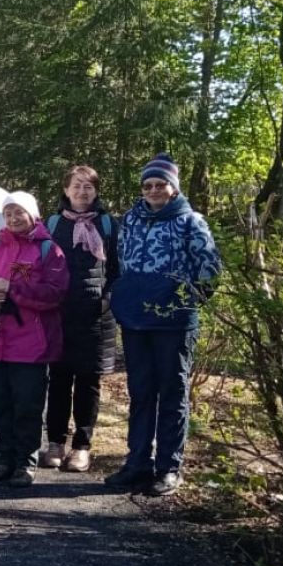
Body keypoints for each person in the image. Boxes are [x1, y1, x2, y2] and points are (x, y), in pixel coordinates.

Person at [105, 153, 221, 496]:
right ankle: (137, 461)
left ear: (173, 188)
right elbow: (118, 263)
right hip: (136, 322)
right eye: (148, 185)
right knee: (141, 393)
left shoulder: (191, 221)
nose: (154, 190)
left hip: (174, 324)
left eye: (160, 184)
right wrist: (119, 295)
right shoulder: (131, 220)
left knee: (172, 393)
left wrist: (183, 302)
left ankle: (168, 468)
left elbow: (209, 270)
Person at [0, 192, 69, 487]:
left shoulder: (49, 249)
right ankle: (6, 458)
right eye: (8, 213)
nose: (14, 219)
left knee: (27, 404)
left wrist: (14, 290)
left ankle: (25, 461)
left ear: (33, 215)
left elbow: (56, 293)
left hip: (31, 343)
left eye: (19, 213)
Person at [39, 165, 119, 473]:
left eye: (88, 186)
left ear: (96, 190)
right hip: (59, 316)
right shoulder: (52, 223)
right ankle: (55, 443)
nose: (82, 191)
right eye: (76, 186)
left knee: (89, 383)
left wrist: (107, 301)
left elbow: (117, 269)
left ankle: (82, 447)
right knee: (58, 381)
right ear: (66, 190)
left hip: (96, 317)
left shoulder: (110, 225)